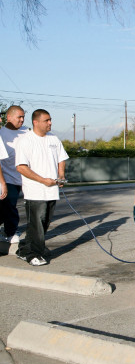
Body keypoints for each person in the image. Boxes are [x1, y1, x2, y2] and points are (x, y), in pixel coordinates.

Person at [15, 109, 68, 266]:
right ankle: (34, 254)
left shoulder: (54, 139)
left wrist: (61, 175)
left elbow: (62, 158)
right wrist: (42, 180)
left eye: (50, 120)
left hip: (52, 190)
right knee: (36, 224)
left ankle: (24, 249)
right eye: (47, 120)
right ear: (35, 122)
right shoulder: (25, 140)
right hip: (35, 191)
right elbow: (21, 167)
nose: (50, 123)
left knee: (44, 223)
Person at [0, 105, 28, 244]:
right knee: (9, 204)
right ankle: (11, 232)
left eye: (23, 117)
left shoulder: (27, 132)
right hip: (8, 177)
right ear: (9, 117)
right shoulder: (2, 134)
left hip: (26, 177)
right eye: (19, 117)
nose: (22, 120)